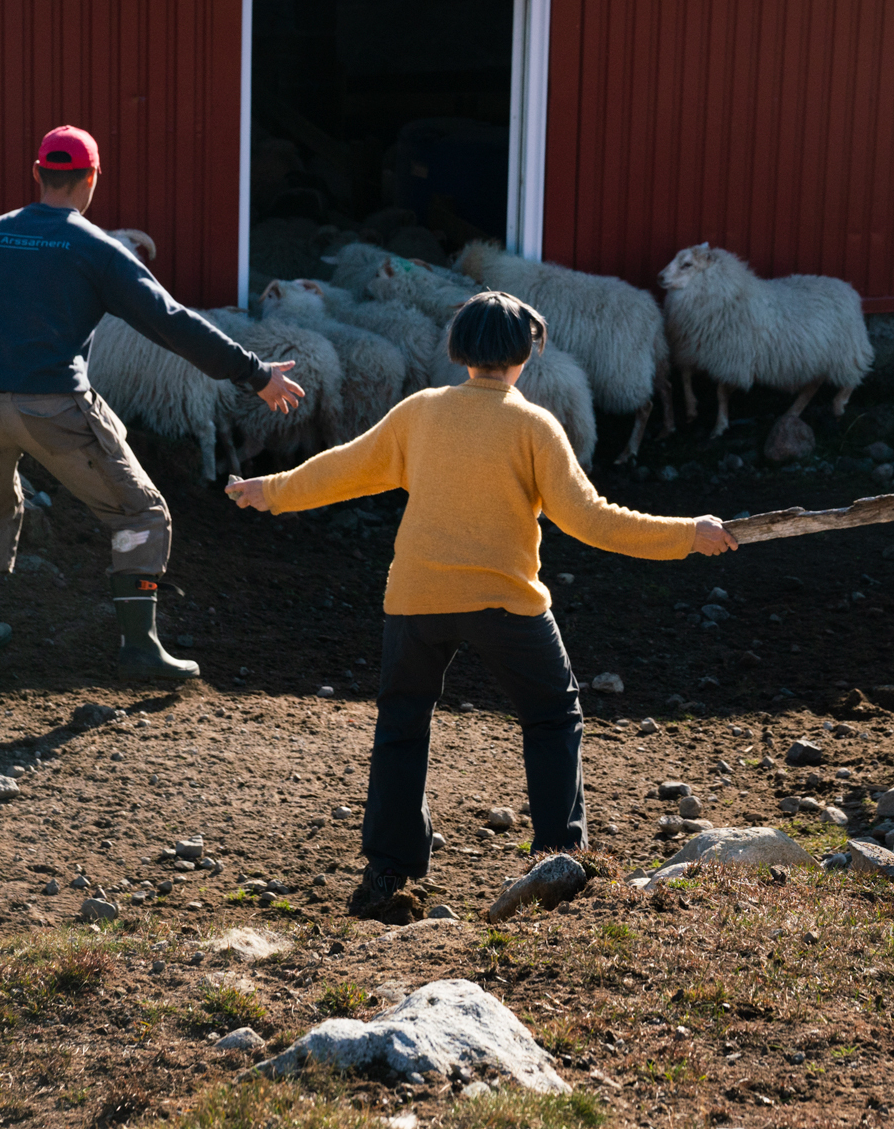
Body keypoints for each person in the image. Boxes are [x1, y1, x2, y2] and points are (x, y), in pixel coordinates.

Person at [226, 291, 735, 924]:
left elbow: (342, 470)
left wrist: (267, 490)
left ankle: (389, 871)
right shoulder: (534, 427)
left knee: (401, 726)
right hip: (507, 604)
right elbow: (592, 520)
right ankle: (559, 858)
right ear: (526, 354)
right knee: (553, 717)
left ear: (458, 349)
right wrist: (689, 533)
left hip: (416, 600)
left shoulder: (420, 413)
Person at [0, 126, 305, 678]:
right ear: (90, 180)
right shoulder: (97, 249)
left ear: (37, 174)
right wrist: (253, 373)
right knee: (141, 511)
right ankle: (140, 648)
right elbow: (171, 322)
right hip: (52, 408)